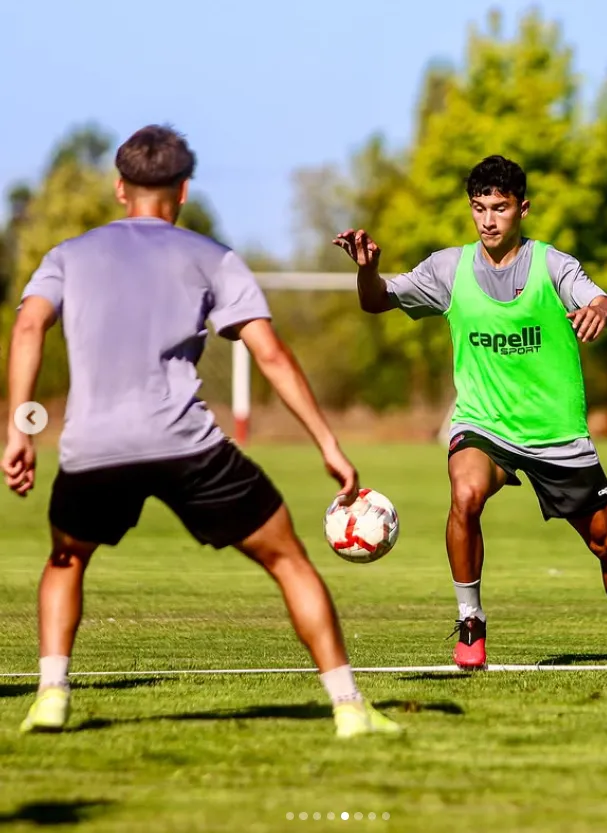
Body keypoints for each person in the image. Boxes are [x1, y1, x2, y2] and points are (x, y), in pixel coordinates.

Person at [2, 124, 402, 737]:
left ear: (119, 188)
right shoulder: (211, 257)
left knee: (66, 559)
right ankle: (349, 707)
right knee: (289, 558)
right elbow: (269, 353)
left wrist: (19, 427)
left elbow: (28, 328)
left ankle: (51, 695)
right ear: (183, 189)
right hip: (186, 443)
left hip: (94, 447)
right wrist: (328, 443)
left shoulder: (68, 255)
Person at [334, 154, 607, 670]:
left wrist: (602, 309)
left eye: (500, 208)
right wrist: (368, 271)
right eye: (479, 207)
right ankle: (471, 622)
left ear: (522, 209)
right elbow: (376, 301)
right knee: (464, 494)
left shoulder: (555, 266)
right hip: (484, 425)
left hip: (556, 433)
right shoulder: (448, 269)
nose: (488, 219)